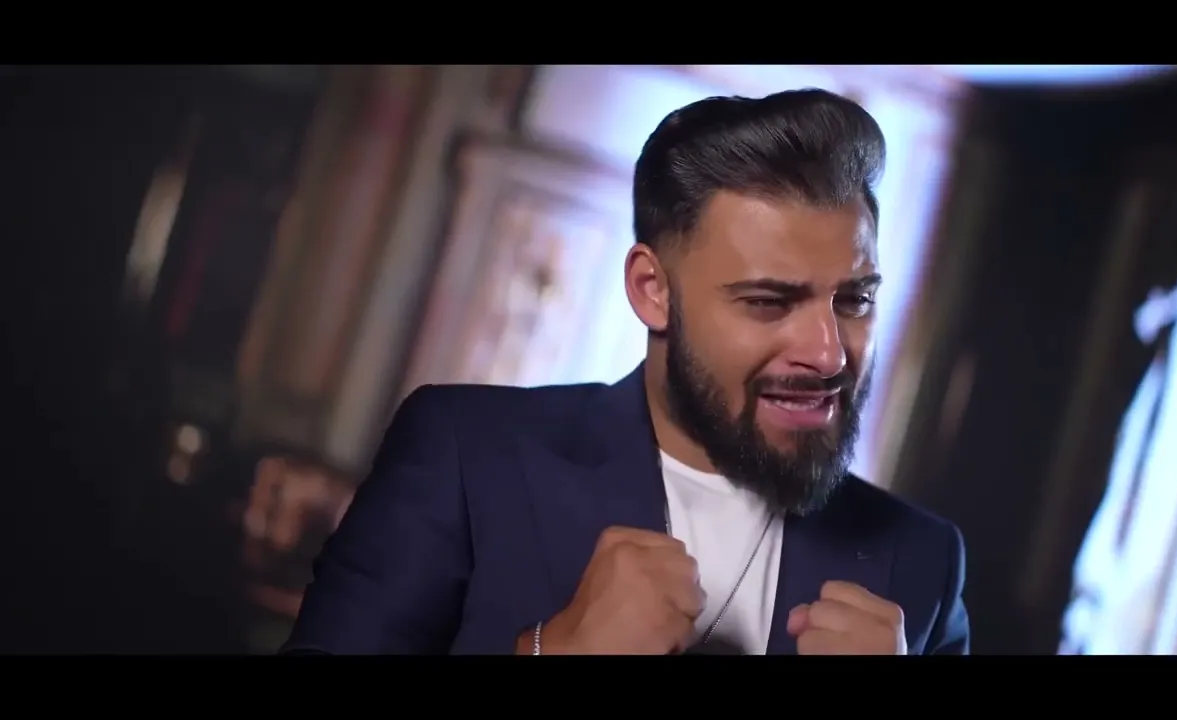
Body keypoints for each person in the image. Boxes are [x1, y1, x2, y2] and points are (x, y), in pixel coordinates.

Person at [281, 88, 970, 655]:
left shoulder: (922, 561)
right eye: (769, 301)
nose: (828, 355)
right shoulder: (468, 456)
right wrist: (554, 652)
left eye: (854, 301)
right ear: (652, 290)